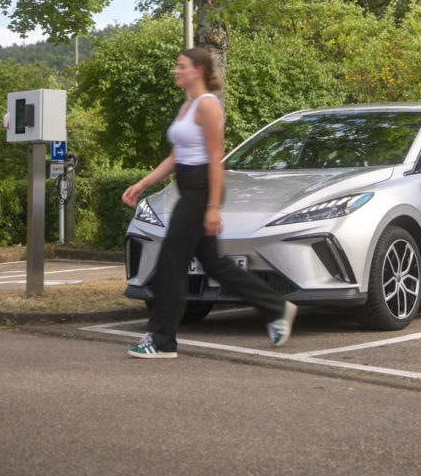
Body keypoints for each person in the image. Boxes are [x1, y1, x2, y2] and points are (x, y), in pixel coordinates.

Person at [121, 47, 297, 359]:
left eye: (181, 66)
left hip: (202, 191)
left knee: (170, 263)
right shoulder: (186, 106)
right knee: (215, 264)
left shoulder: (208, 106)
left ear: (198, 70)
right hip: (188, 187)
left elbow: (215, 159)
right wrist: (142, 183)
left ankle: (161, 340)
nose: (176, 70)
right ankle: (277, 307)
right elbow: (176, 157)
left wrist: (213, 206)